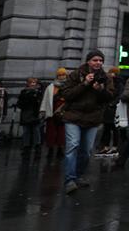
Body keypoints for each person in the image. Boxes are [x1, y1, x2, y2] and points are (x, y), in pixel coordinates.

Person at [59, 50, 116, 194]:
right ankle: (69, 180)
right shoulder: (76, 74)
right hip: (73, 116)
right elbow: (66, 94)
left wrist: (100, 90)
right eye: (95, 60)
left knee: (86, 151)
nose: (98, 63)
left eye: (100, 60)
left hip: (92, 118)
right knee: (73, 146)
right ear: (88, 61)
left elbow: (110, 97)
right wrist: (84, 84)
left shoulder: (106, 77)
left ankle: (77, 176)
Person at [40, 67, 68, 160]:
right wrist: (43, 110)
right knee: (50, 131)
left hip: (63, 112)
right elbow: (46, 99)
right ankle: (50, 149)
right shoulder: (50, 87)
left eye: (63, 75)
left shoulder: (69, 86)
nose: (61, 77)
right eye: (60, 75)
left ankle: (60, 149)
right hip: (51, 112)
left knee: (61, 131)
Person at [96, 66, 124, 157]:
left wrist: (112, 104)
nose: (109, 74)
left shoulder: (119, 83)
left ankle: (115, 147)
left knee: (114, 128)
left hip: (113, 109)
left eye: (111, 72)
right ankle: (106, 146)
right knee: (107, 128)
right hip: (108, 108)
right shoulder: (108, 82)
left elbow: (120, 95)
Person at [17, 77, 44, 158]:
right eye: (31, 82)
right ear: (28, 83)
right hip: (26, 113)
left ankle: (37, 147)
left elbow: (39, 103)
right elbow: (20, 103)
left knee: (36, 131)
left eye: (34, 82)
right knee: (26, 131)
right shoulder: (24, 92)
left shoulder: (38, 92)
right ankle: (26, 147)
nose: (33, 84)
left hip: (35, 114)